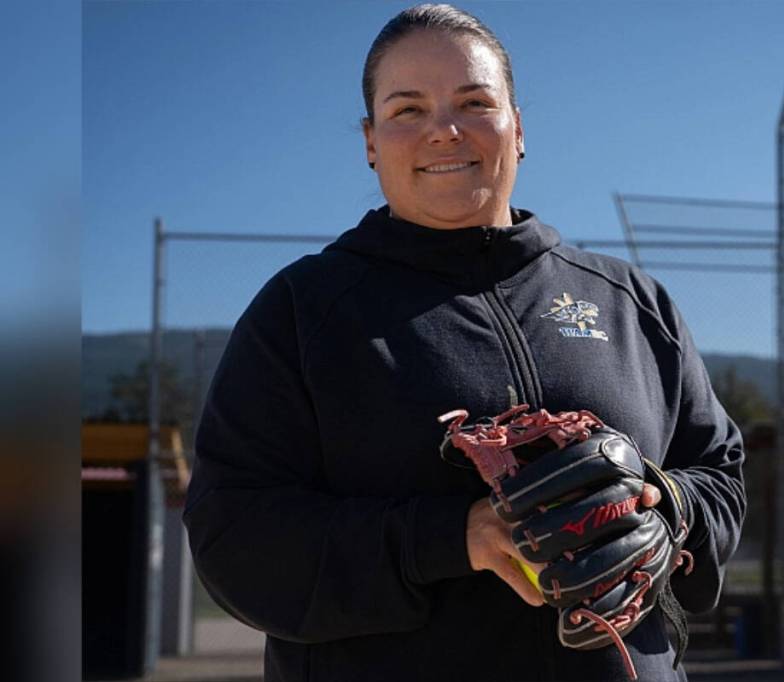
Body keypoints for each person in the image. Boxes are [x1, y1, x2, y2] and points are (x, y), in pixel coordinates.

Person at [184, 4, 745, 681]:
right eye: (407, 110)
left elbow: (719, 472)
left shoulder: (630, 303)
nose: (444, 132)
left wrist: (663, 506)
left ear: (518, 127)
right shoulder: (302, 313)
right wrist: (455, 537)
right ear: (369, 141)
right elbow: (233, 536)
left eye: (473, 103)